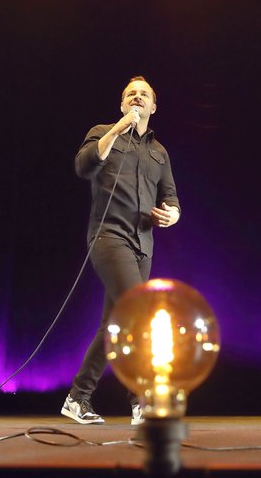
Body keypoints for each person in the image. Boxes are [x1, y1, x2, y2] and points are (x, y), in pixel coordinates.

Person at [61, 76, 181, 425]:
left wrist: (173, 214)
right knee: (139, 311)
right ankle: (142, 400)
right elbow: (83, 166)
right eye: (131, 94)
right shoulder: (103, 132)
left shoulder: (160, 152)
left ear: (154, 106)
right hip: (109, 237)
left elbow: (170, 196)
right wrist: (117, 129)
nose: (138, 97)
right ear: (122, 103)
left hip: (143, 245)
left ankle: (77, 398)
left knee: (113, 324)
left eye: (144, 94)